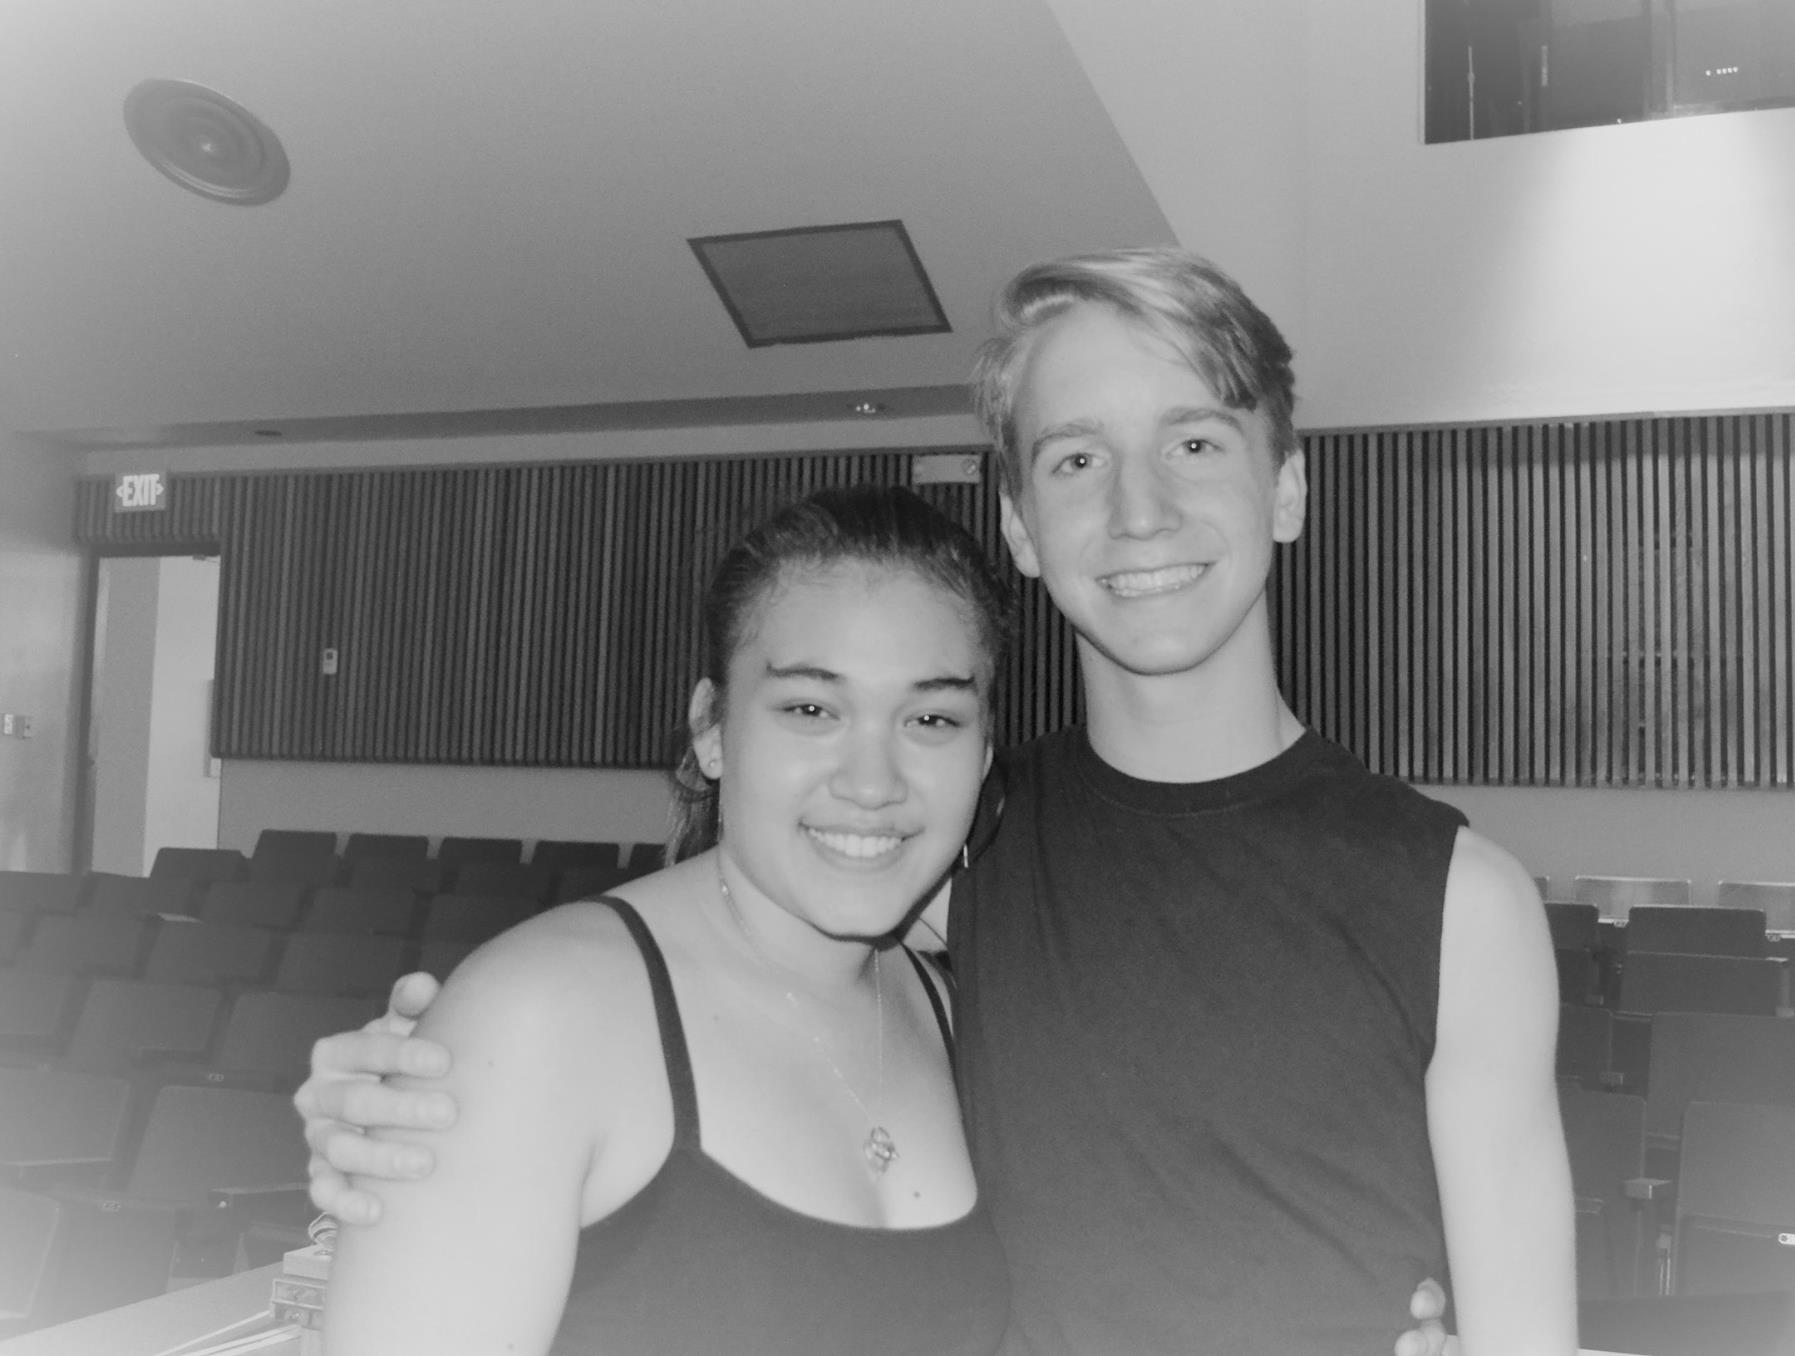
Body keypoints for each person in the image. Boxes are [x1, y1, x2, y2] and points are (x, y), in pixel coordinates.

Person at [299, 248, 1572, 1355]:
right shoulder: (948, 844)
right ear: (1018, 523)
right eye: (1077, 458)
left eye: (1194, 443)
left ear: (1285, 486)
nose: (1139, 510)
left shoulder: (1458, 902)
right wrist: (444, 1082)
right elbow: (698, 966)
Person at [319, 485, 1015, 1355]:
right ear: (712, 729)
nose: (872, 782)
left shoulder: (964, 1011)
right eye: (811, 709)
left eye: (932, 718)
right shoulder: (538, 1017)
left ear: (983, 755)